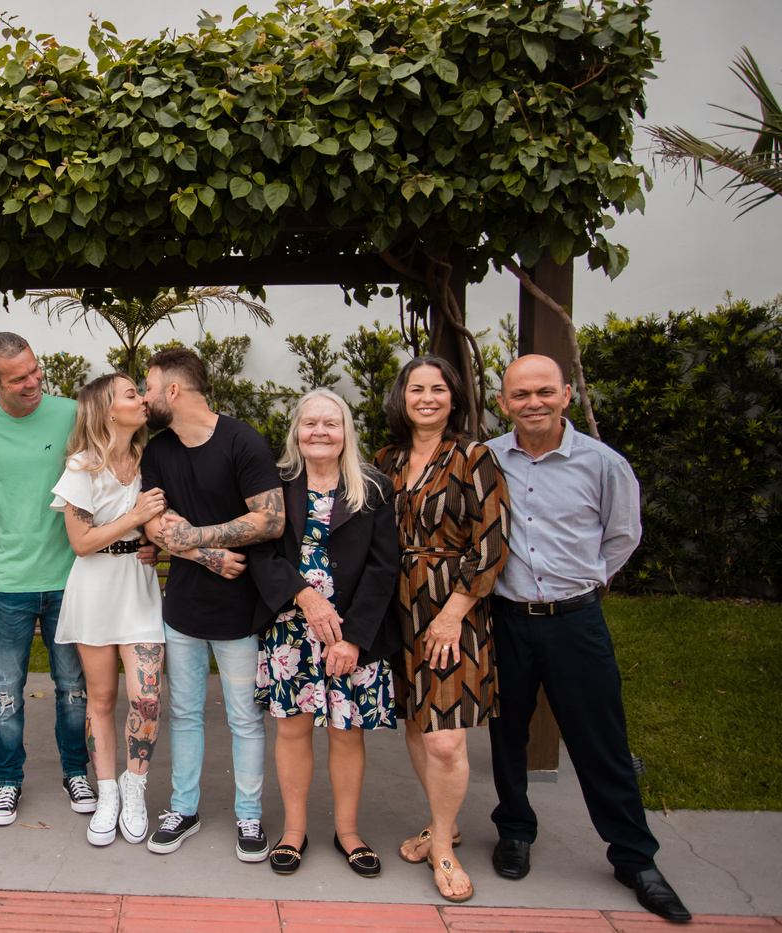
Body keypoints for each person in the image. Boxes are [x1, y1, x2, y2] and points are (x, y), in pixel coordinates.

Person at [486, 355, 691, 922]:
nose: (533, 403)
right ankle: (515, 831)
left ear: (566, 395)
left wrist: (586, 581)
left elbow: (622, 536)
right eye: (520, 394)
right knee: (506, 734)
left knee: (600, 738)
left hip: (575, 621)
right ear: (503, 402)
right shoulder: (488, 459)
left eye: (544, 392)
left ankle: (634, 857)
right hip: (505, 618)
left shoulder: (603, 464)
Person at [372, 355, 509, 904]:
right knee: (415, 720)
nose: (426, 398)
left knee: (446, 740)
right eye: (416, 389)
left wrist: (453, 614)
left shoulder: (475, 456)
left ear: (454, 398)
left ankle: (445, 849)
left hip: (454, 607)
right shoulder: (386, 460)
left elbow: (492, 542)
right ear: (401, 398)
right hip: (395, 606)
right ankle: (440, 823)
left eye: (438, 389)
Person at [139, 346, 284, 862]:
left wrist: (195, 536)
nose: (144, 397)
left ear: (173, 390)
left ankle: (249, 816)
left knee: (245, 718)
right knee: (184, 714)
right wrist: (206, 555)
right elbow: (153, 522)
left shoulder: (242, 441)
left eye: (149, 388)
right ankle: (184, 809)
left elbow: (271, 520)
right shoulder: (158, 451)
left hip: (239, 611)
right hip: (182, 607)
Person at [249, 389, 400, 877]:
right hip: (291, 629)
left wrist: (353, 638)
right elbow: (261, 553)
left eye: (330, 423)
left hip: (353, 631)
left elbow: (383, 568)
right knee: (293, 728)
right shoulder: (274, 484)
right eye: (310, 423)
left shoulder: (372, 488)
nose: (320, 432)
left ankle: (348, 832)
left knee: (346, 730)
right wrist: (304, 595)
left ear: (345, 431)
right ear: (296, 431)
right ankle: (294, 830)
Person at [0, 332, 94, 826]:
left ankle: (76, 772)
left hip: (70, 576)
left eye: (35, 370)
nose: (33, 382)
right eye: (19, 378)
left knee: (73, 688)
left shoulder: (72, 414)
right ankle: (8, 780)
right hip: (8, 581)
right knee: (5, 690)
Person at [49, 373, 168, 847]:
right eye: (132, 394)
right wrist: (134, 517)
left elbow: (160, 524)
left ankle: (135, 787)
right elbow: (81, 543)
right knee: (100, 700)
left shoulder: (150, 460)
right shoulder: (82, 467)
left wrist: (153, 543)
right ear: (106, 410)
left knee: (146, 699)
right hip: (95, 589)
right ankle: (107, 794)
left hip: (138, 587)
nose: (143, 400)